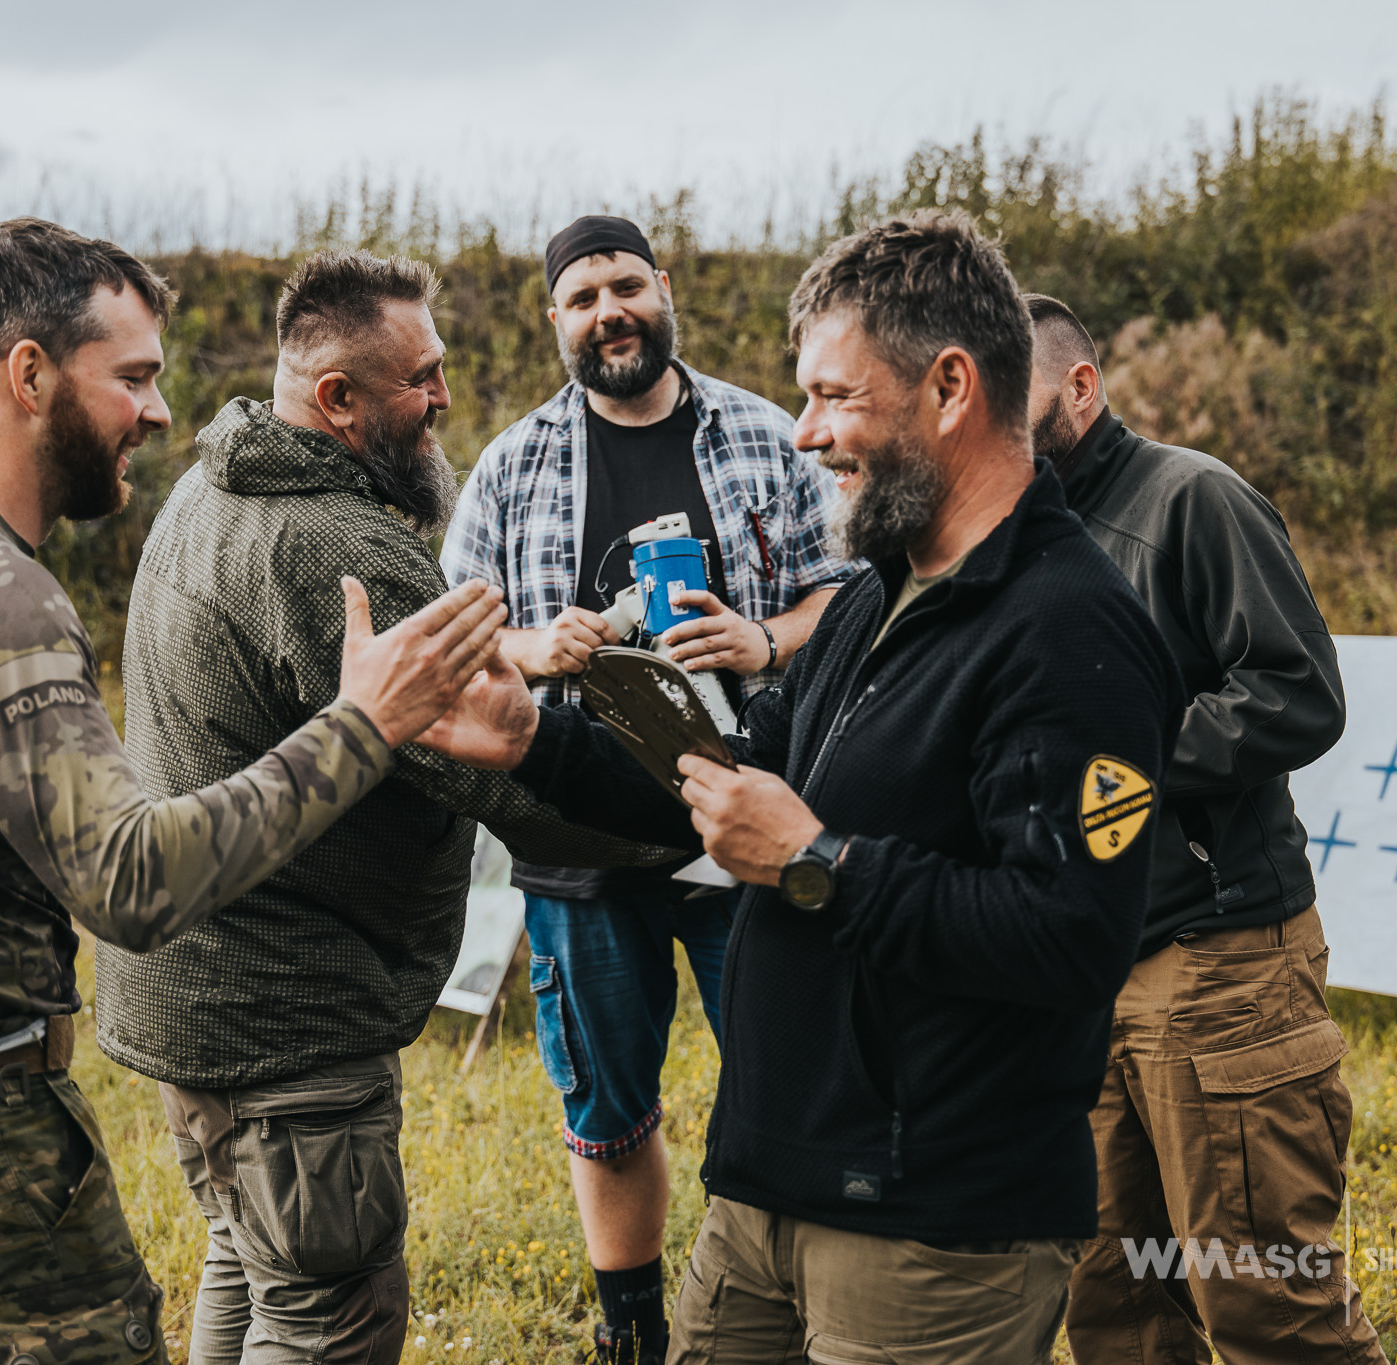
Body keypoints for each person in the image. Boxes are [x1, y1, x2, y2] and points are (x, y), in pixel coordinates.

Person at [423, 212, 1184, 1365]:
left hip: (931, 1227)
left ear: (948, 387)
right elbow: (725, 780)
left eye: (834, 398)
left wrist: (817, 862)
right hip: (763, 1192)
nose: (807, 433)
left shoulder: (1071, 632)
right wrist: (531, 738)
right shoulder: (876, 596)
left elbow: (1069, 939)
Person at [0, 219, 505, 1364]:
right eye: (135, 378)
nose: (159, 413)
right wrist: (363, 725)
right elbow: (130, 881)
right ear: (30, 373)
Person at [97, 248, 665, 1365]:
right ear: (336, 399)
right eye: (421, 379)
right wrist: (691, 816)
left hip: (192, 995)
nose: (446, 397)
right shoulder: (334, 549)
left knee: (247, 1261)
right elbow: (504, 777)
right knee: (328, 1318)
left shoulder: (206, 490)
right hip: (287, 1020)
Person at [439, 215, 853, 1363]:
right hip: (579, 833)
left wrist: (762, 638)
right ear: (554, 322)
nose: (607, 310)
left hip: (745, 818)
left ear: (661, 289)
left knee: (784, 1084)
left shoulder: (766, 434)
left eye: (624, 285)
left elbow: (850, 597)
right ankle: (632, 1338)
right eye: (580, 298)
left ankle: (807, 1317)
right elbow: (454, 634)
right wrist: (531, 647)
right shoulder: (511, 463)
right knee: (608, 1118)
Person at [1023, 293, 1385, 1364]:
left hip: (1218, 963)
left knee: (1268, 1309)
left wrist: (1116, 770)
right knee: (1110, 1308)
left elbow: (1295, 690)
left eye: (1014, 399)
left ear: (1079, 389)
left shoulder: (1192, 499)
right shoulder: (1018, 536)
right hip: (1079, 975)